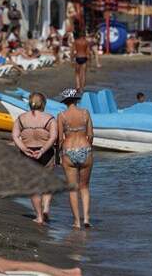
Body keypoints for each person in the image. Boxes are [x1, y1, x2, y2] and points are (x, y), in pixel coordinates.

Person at [11, 92, 57, 225]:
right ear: (43, 104)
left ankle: (39, 216)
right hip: (46, 152)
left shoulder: (21, 118)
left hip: (28, 153)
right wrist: (42, 150)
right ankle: (46, 208)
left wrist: (24, 149)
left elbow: (15, 136)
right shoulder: (49, 118)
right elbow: (53, 137)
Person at [57, 88, 94, 229]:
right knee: (84, 187)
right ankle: (86, 218)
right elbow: (90, 135)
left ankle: (77, 222)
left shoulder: (61, 115)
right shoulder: (85, 113)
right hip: (85, 149)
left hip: (69, 150)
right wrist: (88, 149)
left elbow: (60, 139)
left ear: (65, 101)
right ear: (76, 99)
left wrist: (57, 157)